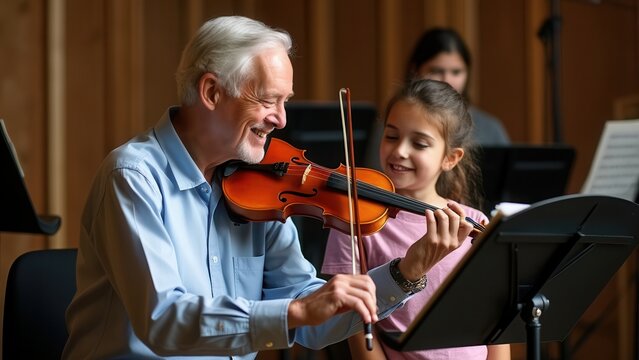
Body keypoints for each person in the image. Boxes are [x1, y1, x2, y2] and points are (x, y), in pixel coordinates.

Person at [62, 16, 473, 359]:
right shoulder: (134, 177)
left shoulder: (260, 185)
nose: (281, 119)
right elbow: (162, 319)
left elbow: (312, 317)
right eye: (267, 100)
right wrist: (294, 312)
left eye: (285, 101)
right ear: (211, 92)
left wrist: (406, 272)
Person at [322, 79, 511, 359]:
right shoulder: (354, 219)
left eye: (419, 143)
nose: (400, 151)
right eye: (391, 136)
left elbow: (495, 323)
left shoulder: (474, 223)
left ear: (450, 158)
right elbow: (355, 329)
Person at [406, 27, 510, 145]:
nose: (447, 81)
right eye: (436, 71)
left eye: (456, 72)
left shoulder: (490, 129)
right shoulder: (397, 121)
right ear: (415, 70)